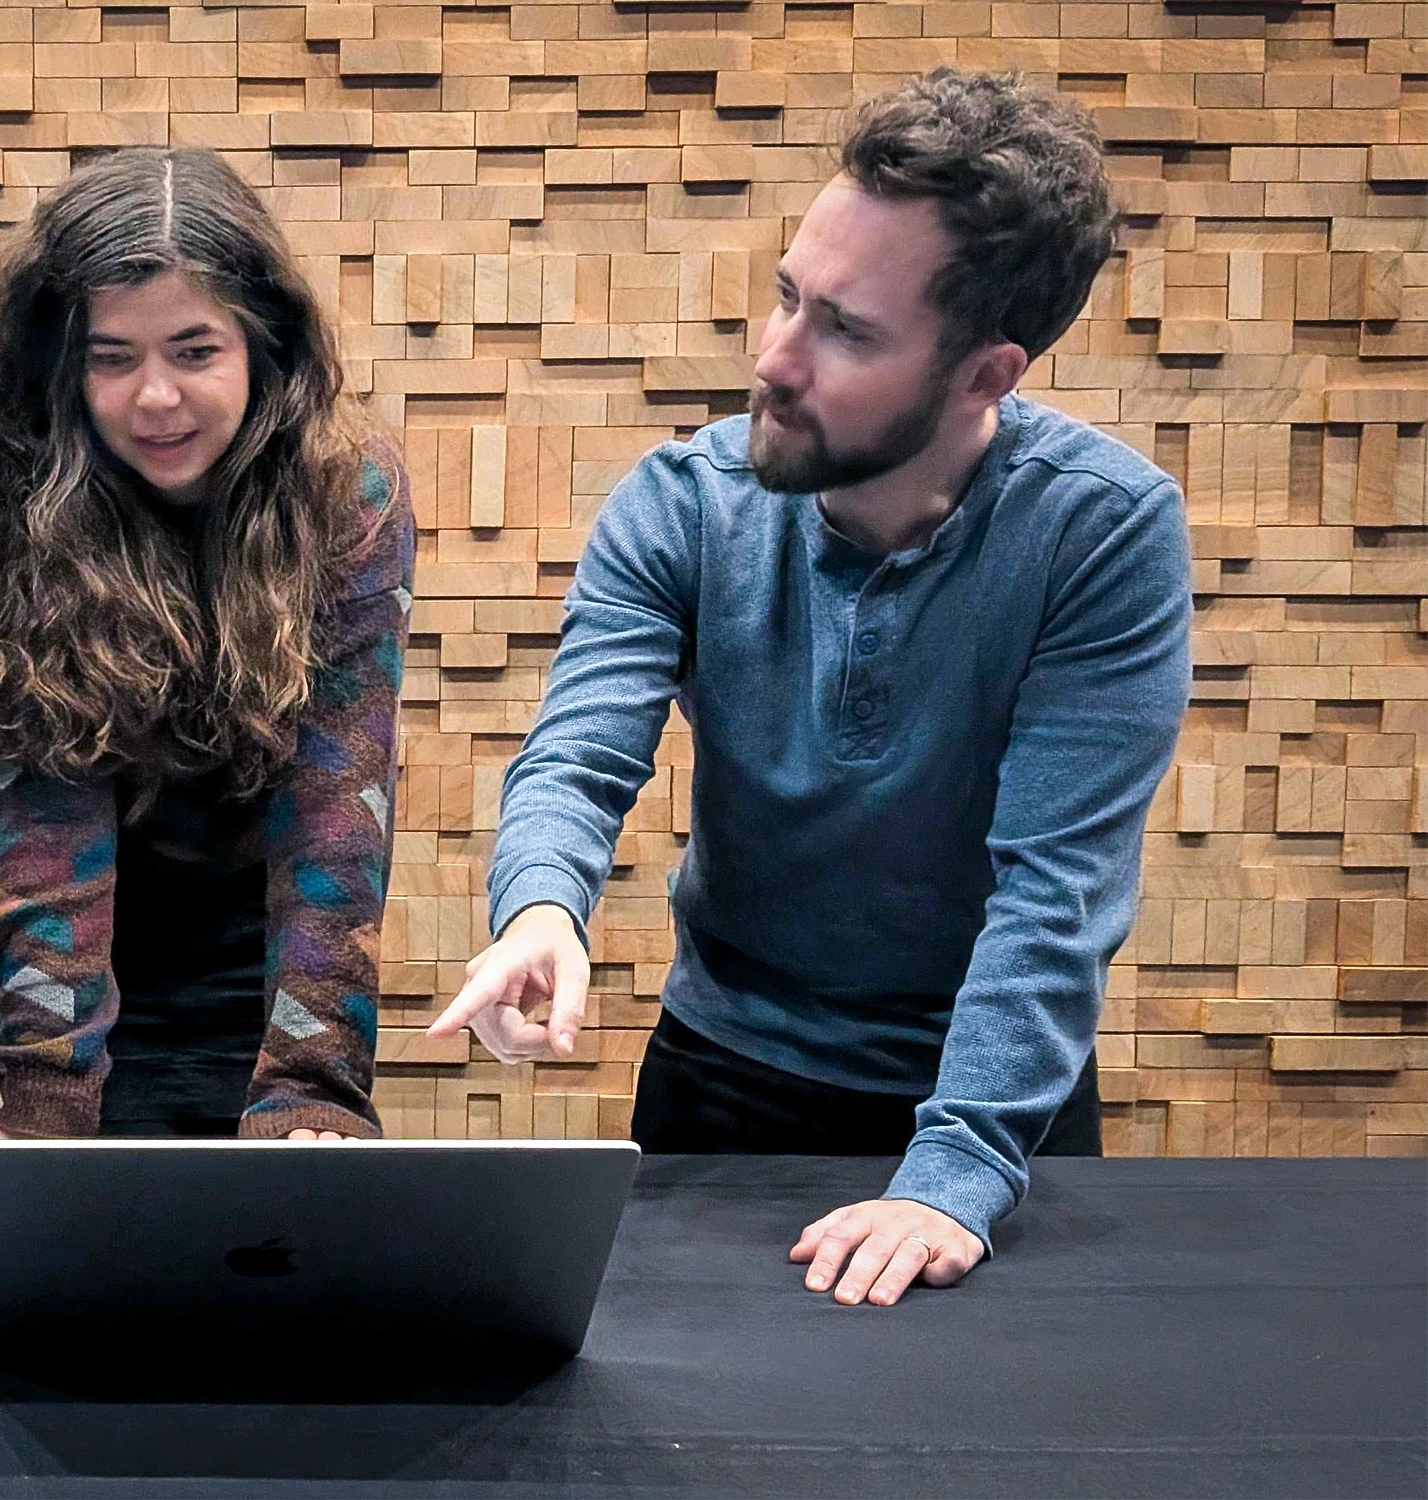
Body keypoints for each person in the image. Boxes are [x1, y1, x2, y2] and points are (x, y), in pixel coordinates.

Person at [431, 69, 1192, 1304]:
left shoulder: (1101, 533)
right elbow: (577, 755)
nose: (774, 359)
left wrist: (952, 1173)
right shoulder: (682, 505)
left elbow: (1057, 891)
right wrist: (540, 910)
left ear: (985, 377)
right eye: (789, 296)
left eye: (847, 330)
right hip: (722, 1081)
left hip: (991, 1110)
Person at [0, 146, 414, 1141]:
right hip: (79, 952)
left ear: (261, 347)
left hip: (268, 947)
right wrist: (48, 1104)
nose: (155, 397)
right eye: (113, 357)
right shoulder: (7, 513)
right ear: (64, 363)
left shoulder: (345, 493)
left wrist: (315, 1082)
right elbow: (43, 828)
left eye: (194, 351)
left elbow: (337, 803)